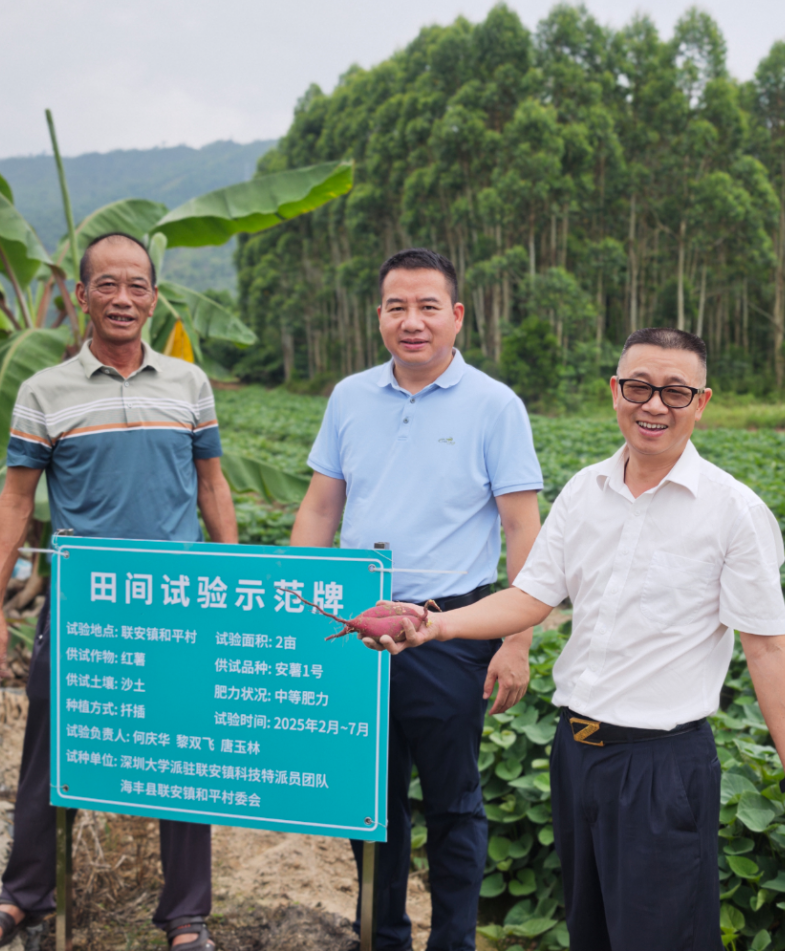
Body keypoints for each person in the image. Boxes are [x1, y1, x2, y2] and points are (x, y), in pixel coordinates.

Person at [361, 327, 785, 951]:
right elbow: (531, 597)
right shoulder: (584, 491)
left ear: (702, 403)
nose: (654, 406)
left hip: (662, 768)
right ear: (614, 391)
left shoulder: (734, 511)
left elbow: (767, 648)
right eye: (639, 387)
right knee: (589, 933)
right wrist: (438, 623)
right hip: (576, 754)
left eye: (675, 392)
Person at [0, 232, 238, 951]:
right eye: (107, 285)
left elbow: (212, 484)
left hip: (178, 601)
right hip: (89, 605)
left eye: (137, 286)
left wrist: (236, 575)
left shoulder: (188, 384)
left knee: (184, 751)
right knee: (51, 748)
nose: (123, 299)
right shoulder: (44, 392)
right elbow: (16, 502)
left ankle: (185, 913)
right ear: (81, 297)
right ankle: (26, 892)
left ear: (154, 296)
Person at [290, 248, 542, 951]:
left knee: (453, 801)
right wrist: (304, 612)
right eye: (397, 306)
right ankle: (383, 936)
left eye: (428, 306)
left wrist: (516, 640)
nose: (412, 321)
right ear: (379, 316)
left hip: (449, 627)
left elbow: (524, 525)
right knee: (367, 801)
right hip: (357, 625)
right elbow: (318, 510)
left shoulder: (494, 404)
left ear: (456, 316)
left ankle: (452, 940)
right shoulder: (349, 396)